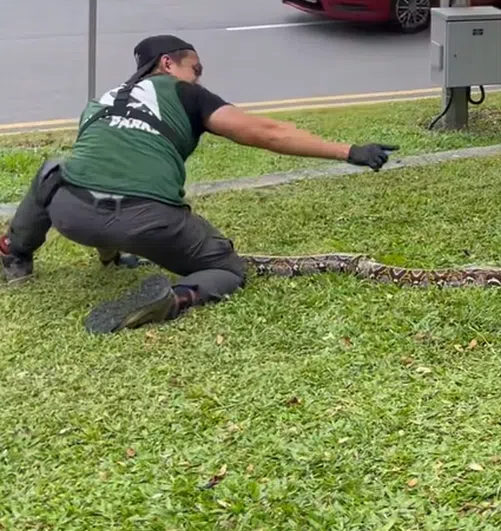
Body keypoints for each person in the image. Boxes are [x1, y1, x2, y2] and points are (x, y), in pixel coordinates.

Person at [0, 35, 398, 334]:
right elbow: (266, 131)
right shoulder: (184, 94)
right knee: (227, 268)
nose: (198, 78)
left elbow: (103, 173)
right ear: (168, 64)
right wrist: (348, 150)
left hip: (71, 214)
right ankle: (176, 298)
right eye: (196, 69)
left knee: (56, 168)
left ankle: (15, 253)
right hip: (148, 220)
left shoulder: (101, 102)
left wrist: (109, 253)